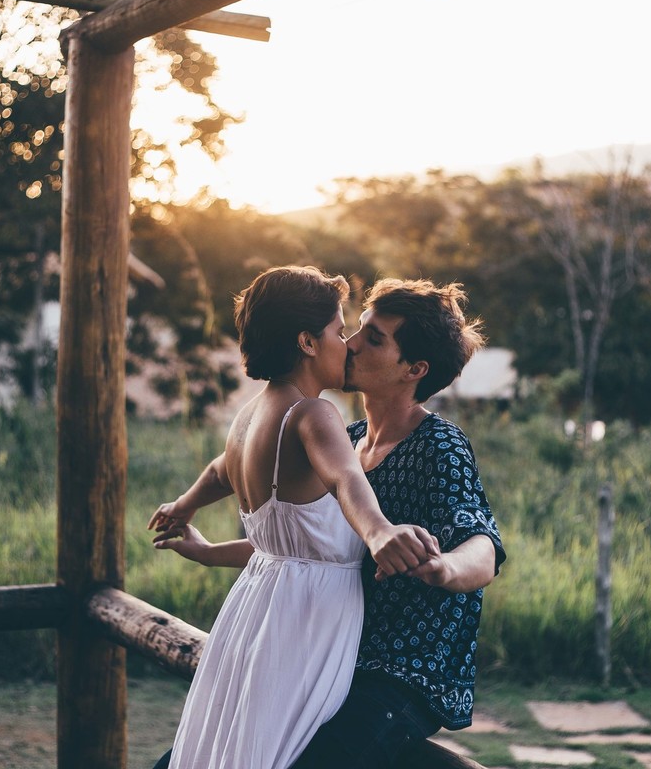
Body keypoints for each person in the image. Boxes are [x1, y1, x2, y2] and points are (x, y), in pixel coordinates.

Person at [153, 277, 506, 769]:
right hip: (323, 650)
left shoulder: (439, 446)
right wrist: (212, 549)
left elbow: (483, 548)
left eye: (373, 338)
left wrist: (444, 568)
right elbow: (301, 549)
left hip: (397, 674)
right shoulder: (343, 435)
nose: (352, 343)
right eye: (353, 328)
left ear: (415, 369)